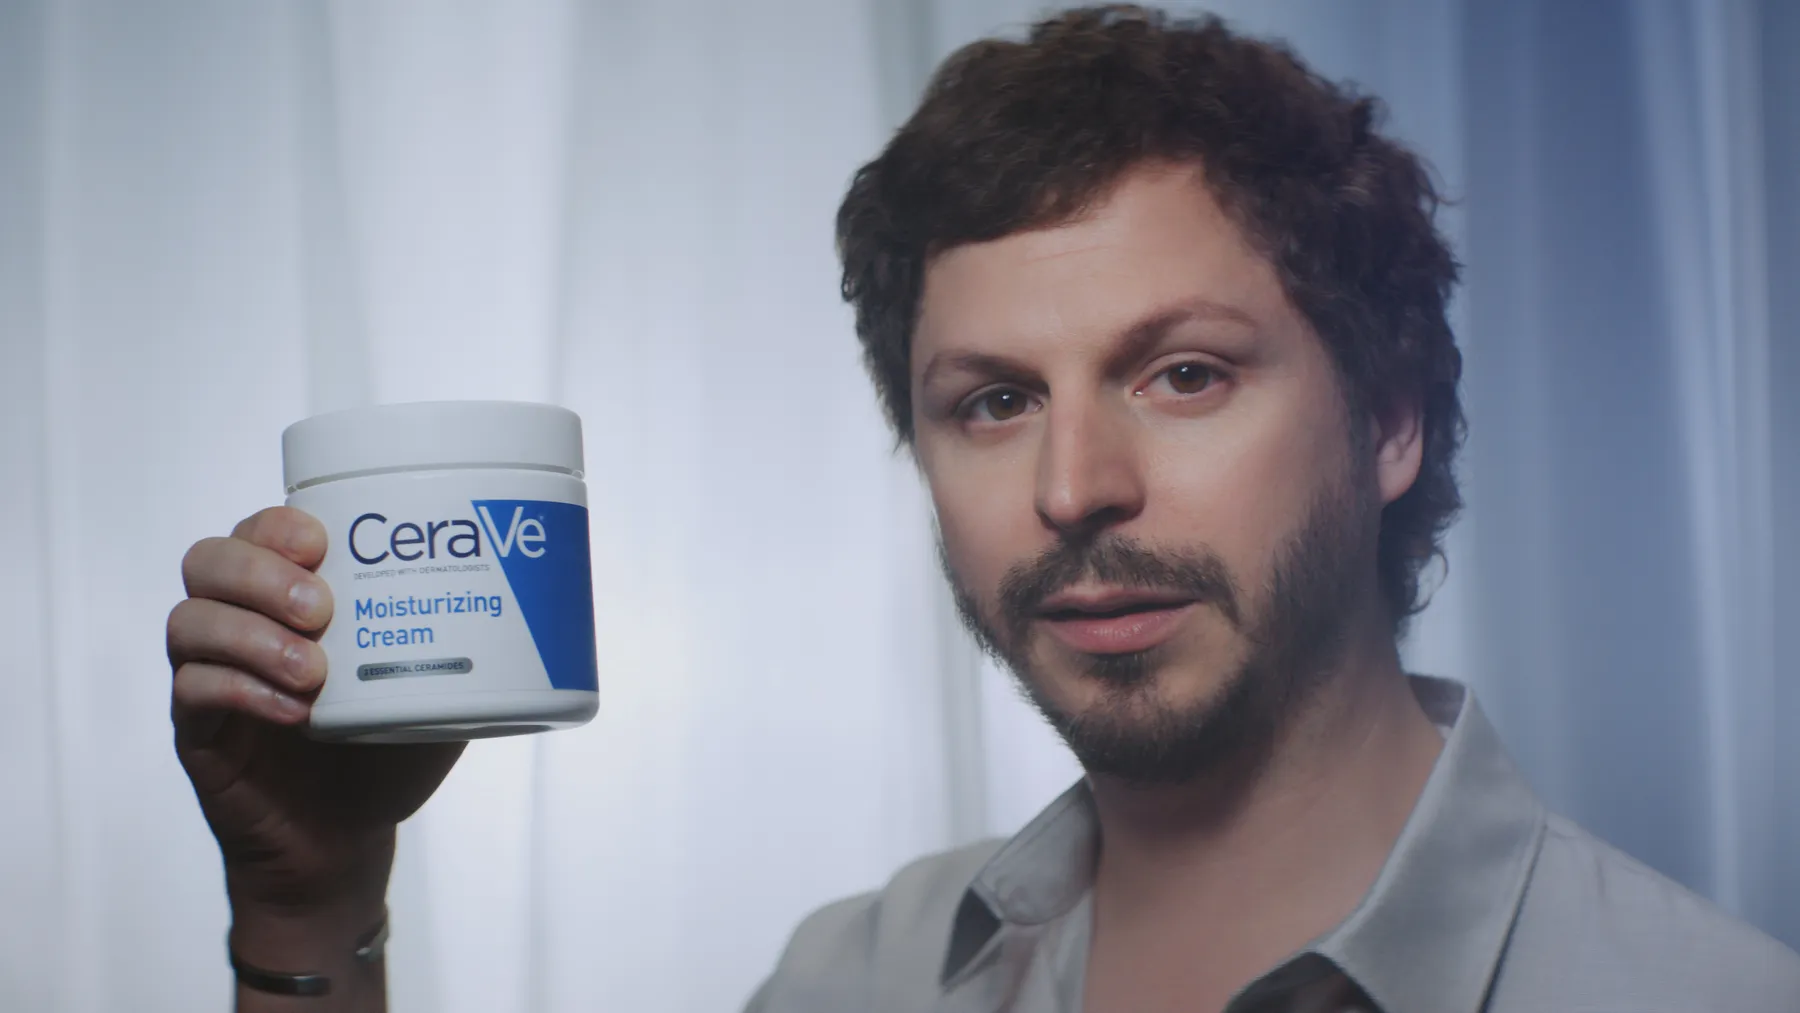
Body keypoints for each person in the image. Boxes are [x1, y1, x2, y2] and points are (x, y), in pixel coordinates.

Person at [166, 6, 1800, 1011]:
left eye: (1182, 375)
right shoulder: (851, 983)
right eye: (993, 402)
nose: (1074, 488)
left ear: (1388, 423)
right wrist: (312, 916)